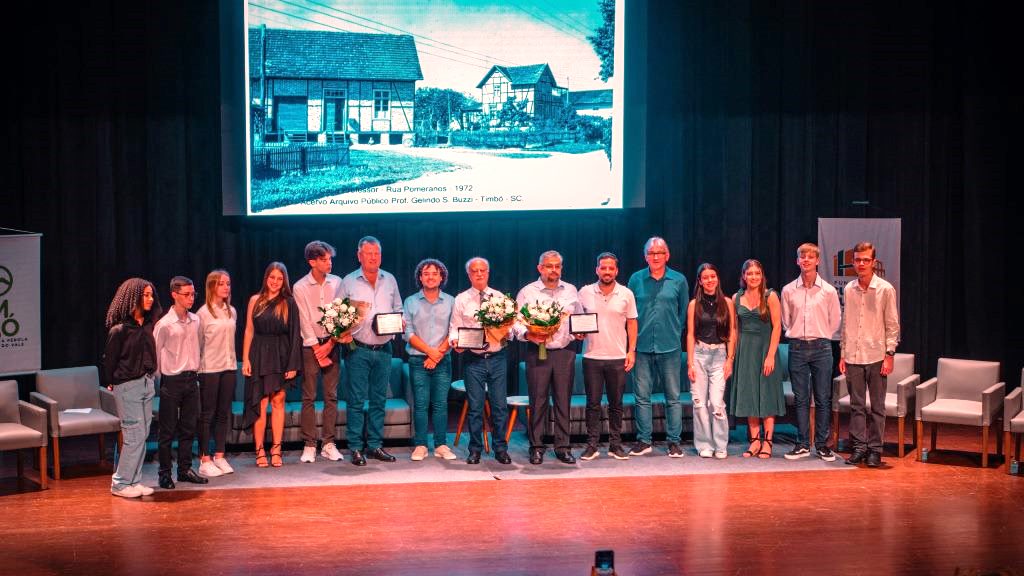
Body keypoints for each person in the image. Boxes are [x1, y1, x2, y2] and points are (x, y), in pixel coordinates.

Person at [338, 236, 402, 466]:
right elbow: (337, 313)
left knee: (378, 400)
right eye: (368, 253)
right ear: (359, 256)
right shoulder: (348, 281)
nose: (373, 257)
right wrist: (342, 331)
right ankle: (356, 447)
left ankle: (375, 445)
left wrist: (400, 321)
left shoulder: (390, 279)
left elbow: (398, 308)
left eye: (376, 253)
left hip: (384, 349)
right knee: (356, 401)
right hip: (358, 349)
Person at [516, 250, 581, 465]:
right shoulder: (527, 292)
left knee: (563, 401)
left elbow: (579, 319)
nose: (554, 270)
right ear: (540, 268)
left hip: (564, 352)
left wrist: (579, 332)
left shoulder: (571, 290)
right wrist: (528, 334)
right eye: (549, 266)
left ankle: (563, 447)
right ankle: (536, 447)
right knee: (538, 401)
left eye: (557, 266)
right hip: (538, 352)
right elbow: (516, 322)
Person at [626, 236, 689, 457]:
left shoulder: (679, 280)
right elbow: (629, 313)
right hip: (641, 346)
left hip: (670, 347)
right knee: (642, 397)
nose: (655, 257)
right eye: (651, 253)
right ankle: (644, 440)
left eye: (659, 253)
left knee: (673, 397)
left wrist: (674, 332)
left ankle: (674, 442)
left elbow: (683, 313)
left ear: (667, 255)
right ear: (645, 256)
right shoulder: (636, 279)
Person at [840, 242, 900, 468]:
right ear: (853, 262)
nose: (862, 264)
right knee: (856, 405)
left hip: (876, 355)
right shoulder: (849, 289)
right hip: (853, 355)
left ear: (874, 262)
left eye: (866, 260)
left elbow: (892, 325)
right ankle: (858, 448)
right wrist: (843, 353)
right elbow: (846, 323)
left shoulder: (885, 289)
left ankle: (875, 450)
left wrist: (889, 354)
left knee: (877, 407)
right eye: (858, 260)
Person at [448, 257, 513, 465]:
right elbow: (454, 329)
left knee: (499, 406)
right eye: (474, 271)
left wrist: (508, 332)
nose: (479, 274)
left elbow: (511, 328)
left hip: (497, 357)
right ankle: (474, 449)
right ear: (469, 275)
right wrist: (455, 341)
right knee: (475, 408)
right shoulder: (461, 299)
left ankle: (500, 449)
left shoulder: (500, 298)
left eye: (482, 270)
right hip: (473, 359)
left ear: (488, 273)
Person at [780, 243, 842, 461]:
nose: (806, 260)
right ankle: (803, 444)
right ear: (797, 261)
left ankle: (822, 445)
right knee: (801, 399)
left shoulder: (828, 291)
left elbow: (835, 321)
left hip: (821, 348)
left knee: (823, 398)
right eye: (802, 257)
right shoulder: (788, 290)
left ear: (817, 261)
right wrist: (798, 333)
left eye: (810, 257)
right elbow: (786, 320)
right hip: (797, 347)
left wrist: (821, 334)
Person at [103, 278, 161, 498]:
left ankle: (134, 481)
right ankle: (120, 483)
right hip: (127, 386)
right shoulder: (119, 330)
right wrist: (113, 381)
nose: (150, 299)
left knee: (143, 434)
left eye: (151, 294)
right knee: (134, 436)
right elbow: (110, 361)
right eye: (145, 295)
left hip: (146, 383)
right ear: (133, 297)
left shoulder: (147, 324)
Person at [577, 252, 638, 461]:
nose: (607, 271)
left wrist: (631, 351)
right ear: (597, 270)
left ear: (616, 271)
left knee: (616, 404)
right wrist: (578, 332)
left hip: (617, 357)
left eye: (611, 268)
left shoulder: (626, 293)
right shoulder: (584, 292)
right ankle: (592, 445)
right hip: (591, 356)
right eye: (603, 268)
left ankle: (615, 445)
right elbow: (576, 319)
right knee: (592, 404)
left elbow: (632, 323)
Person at [242, 262, 301, 468]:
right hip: (258, 354)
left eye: (279, 278)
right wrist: (246, 359)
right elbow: (249, 330)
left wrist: (293, 365)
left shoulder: (289, 302)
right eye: (272, 277)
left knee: (278, 400)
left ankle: (276, 449)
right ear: (266, 278)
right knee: (261, 402)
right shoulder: (255, 300)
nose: (275, 282)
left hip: (281, 355)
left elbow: (295, 335)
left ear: (284, 281)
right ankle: (259, 450)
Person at [153, 276, 208, 489]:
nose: (191, 298)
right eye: (186, 294)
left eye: (193, 294)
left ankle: (184, 469)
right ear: (174, 295)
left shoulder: (195, 320)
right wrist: (163, 379)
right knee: (167, 430)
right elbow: (156, 353)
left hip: (191, 379)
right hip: (172, 381)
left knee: (188, 428)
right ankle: (164, 473)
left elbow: (199, 347)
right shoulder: (165, 324)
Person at [292, 240, 344, 463]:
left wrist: (330, 345)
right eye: (324, 259)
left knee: (331, 395)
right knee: (309, 396)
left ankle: (329, 443)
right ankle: (310, 444)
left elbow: (342, 315)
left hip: (332, 343)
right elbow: (304, 320)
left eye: (330, 259)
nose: (329, 263)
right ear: (312, 262)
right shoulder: (300, 287)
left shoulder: (338, 282)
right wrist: (317, 349)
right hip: (310, 347)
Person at [730, 259, 785, 459]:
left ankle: (767, 442)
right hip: (745, 351)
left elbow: (777, 327)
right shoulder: (736, 298)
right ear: (744, 276)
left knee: (766, 394)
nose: (753, 277)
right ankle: (754, 441)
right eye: (750, 273)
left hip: (765, 350)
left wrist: (770, 355)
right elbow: (734, 329)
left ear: (762, 276)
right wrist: (732, 356)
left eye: (757, 273)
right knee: (749, 394)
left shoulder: (771, 296)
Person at [402, 258, 456, 461]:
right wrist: (429, 352)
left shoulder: (451, 301)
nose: (430, 277)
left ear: (442, 277)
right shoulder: (410, 301)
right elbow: (408, 332)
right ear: (420, 277)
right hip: (418, 360)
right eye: (426, 273)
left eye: (435, 273)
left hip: (443, 360)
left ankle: (441, 445)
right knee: (421, 404)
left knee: (441, 404)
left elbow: (454, 331)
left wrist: (437, 354)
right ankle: (421, 445)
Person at [686, 263, 736, 459]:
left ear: (717, 278)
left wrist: (730, 359)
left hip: (719, 355)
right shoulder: (694, 304)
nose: (709, 280)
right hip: (699, 354)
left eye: (712, 276)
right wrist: (690, 363)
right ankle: (704, 444)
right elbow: (690, 334)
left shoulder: (727, 302)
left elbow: (732, 332)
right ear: (700, 281)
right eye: (705, 277)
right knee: (699, 404)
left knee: (716, 403)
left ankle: (720, 444)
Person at [196, 270, 237, 477]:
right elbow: (198, 344)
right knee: (207, 414)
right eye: (221, 284)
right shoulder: (203, 314)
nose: (226, 287)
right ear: (212, 286)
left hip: (229, 367)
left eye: (228, 283)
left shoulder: (232, 311)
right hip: (209, 369)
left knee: (223, 413)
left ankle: (220, 455)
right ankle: (204, 459)